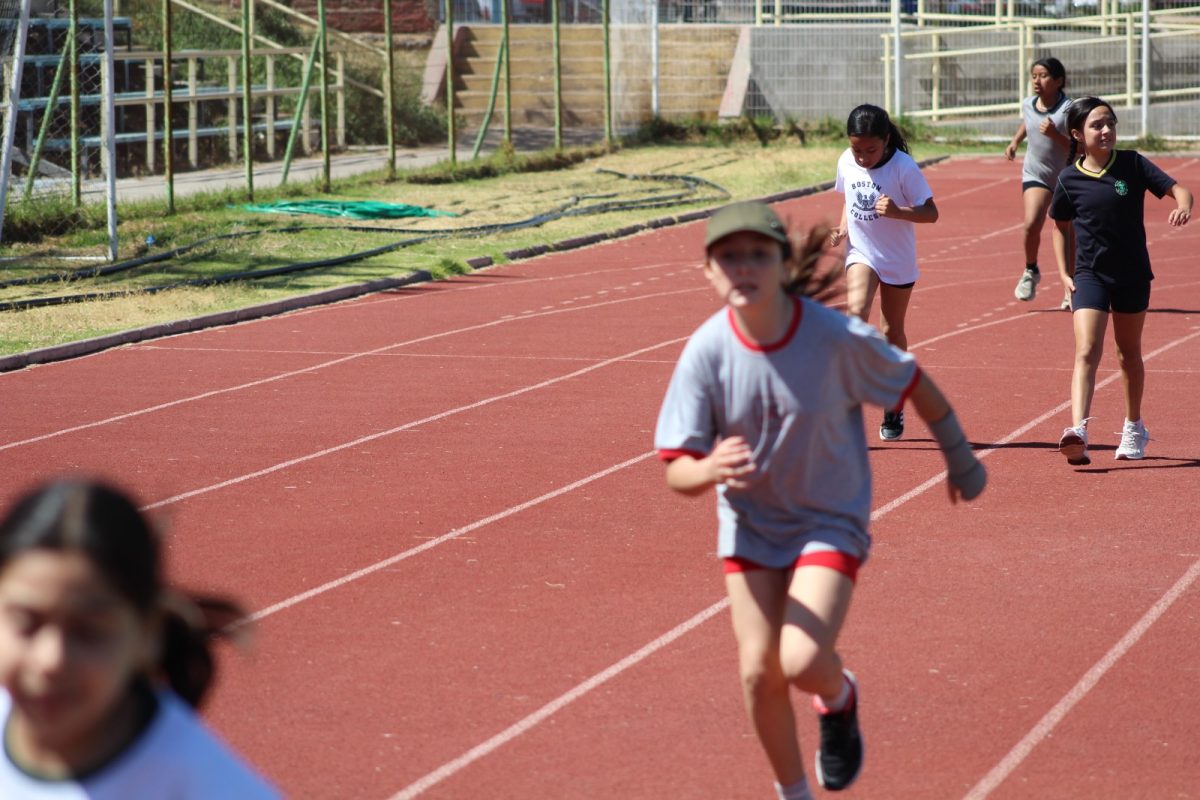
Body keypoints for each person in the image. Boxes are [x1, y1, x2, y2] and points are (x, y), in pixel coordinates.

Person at [655, 201, 986, 799]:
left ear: (783, 263)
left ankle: (838, 697)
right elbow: (677, 471)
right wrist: (705, 468)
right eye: (729, 257)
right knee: (759, 673)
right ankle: (794, 793)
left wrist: (959, 456)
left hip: (827, 520)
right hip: (751, 526)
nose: (743, 267)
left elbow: (914, 384)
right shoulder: (706, 352)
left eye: (759, 254)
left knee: (801, 658)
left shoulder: (833, 338)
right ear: (708, 271)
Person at [0, 479, 281, 798]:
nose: (51, 659)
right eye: (26, 623)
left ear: (148, 635)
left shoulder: (211, 788)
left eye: (89, 631)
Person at [1049, 97, 1192, 465]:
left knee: (1128, 354)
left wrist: (1183, 204)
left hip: (1131, 274)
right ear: (1078, 134)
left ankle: (1133, 426)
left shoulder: (1131, 164)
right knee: (1086, 350)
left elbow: (1180, 190)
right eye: (1097, 125)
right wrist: (1064, 272)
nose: (1106, 130)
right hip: (1089, 275)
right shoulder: (1069, 180)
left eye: (1110, 122)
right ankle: (1077, 429)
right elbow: (1060, 228)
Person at [829, 104, 939, 441]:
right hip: (861, 253)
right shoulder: (846, 161)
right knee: (857, 313)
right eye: (856, 149)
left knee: (892, 328)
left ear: (886, 140)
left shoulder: (903, 168)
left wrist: (899, 212)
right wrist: (842, 227)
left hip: (896, 259)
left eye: (870, 150)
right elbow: (849, 199)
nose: (862, 157)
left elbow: (931, 213)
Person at [1005, 57, 1074, 309]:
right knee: (1032, 223)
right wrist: (1015, 141)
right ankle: (1031, 270)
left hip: (1067, 177)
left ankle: (1071, 285)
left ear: (1058, 81)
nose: (1037, 80)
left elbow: (1079, 148)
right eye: (1034, 75)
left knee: (1065, 230)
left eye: (1043, 76)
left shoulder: (1069, 109)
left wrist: (1055, 134)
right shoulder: (1028, 104)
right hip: (1036, 173)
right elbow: (1028, 121)